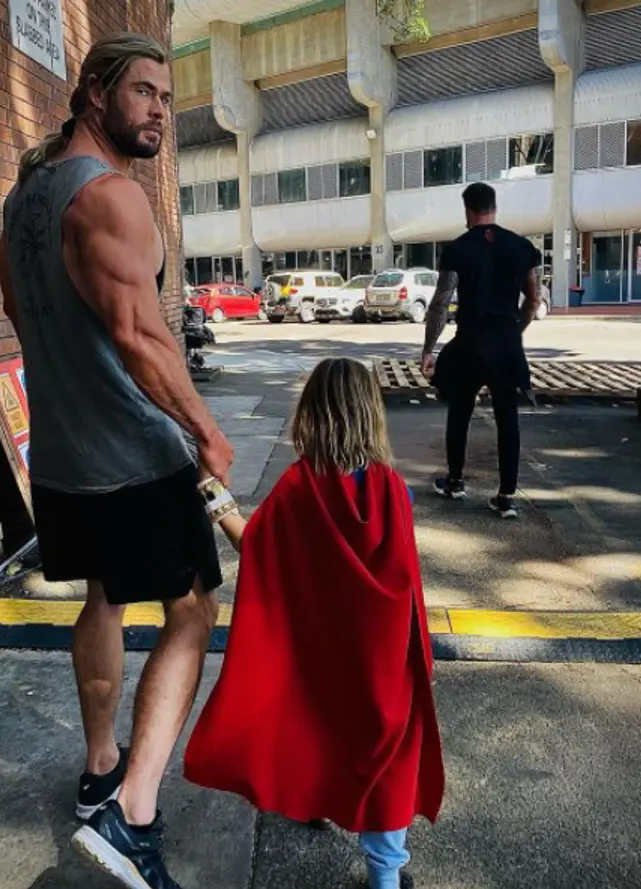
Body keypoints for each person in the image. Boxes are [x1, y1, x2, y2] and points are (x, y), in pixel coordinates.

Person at [0, 33, 234, 889]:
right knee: (192, 610)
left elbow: (20, 314)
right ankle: (131, 815)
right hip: (134, 455)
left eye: (167, 98)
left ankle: (101, 764)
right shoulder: (109, 196)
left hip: (62, 458)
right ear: (95, 92)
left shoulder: (23, 200)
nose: (160, 111)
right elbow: (139, 334)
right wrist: (205, 430)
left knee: (103, 595)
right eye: (144, 92)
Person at [184, 358, 445, 889]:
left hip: (320, 651)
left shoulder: (299, 488)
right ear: (372, 414)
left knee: (319, 729)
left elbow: (257, 548)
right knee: (389, 758)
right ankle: (385, 878)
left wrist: (213, 494)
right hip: (384, 657)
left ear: (311, 413)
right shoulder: (395, 491)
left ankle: (317, 800)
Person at [420, 183, 541, 520]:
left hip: (470, 343)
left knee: (460, 411)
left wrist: (428, 349)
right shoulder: (522, 248)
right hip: (506, 345)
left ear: (467, 211)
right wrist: (514, 332)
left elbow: (441, 301)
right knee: (507, 417)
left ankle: (455, 481)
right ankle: (506, 498)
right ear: (494, 208)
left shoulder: (457, 249)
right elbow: (533, 299)